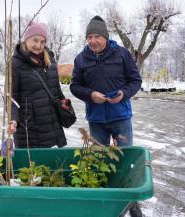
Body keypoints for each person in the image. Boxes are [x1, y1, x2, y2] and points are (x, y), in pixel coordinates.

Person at [69, 16, 142, 217]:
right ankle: (106, 203)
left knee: (125, 160)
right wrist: (90, 95)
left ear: (106, 37)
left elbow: (135, 81)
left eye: (97, 36)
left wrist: (124, 94)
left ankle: (132, 205)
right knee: (99, 161)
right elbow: (74, 86)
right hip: (96, 120)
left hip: (121, 117)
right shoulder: (81, 59)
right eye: (89, 37)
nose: (93, 41)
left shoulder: (122, 54)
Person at [10, 21, 67, 148]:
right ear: (26, 40)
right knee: (32, 165)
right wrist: (13, 119)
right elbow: (11, 96)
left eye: (42, 42)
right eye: (35, 40)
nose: (38, 45)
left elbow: (55, 90)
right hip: (30, 127)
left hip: (52, 124)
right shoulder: (16, 63)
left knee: (52, 164)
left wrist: (65, 103)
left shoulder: (50, 61)